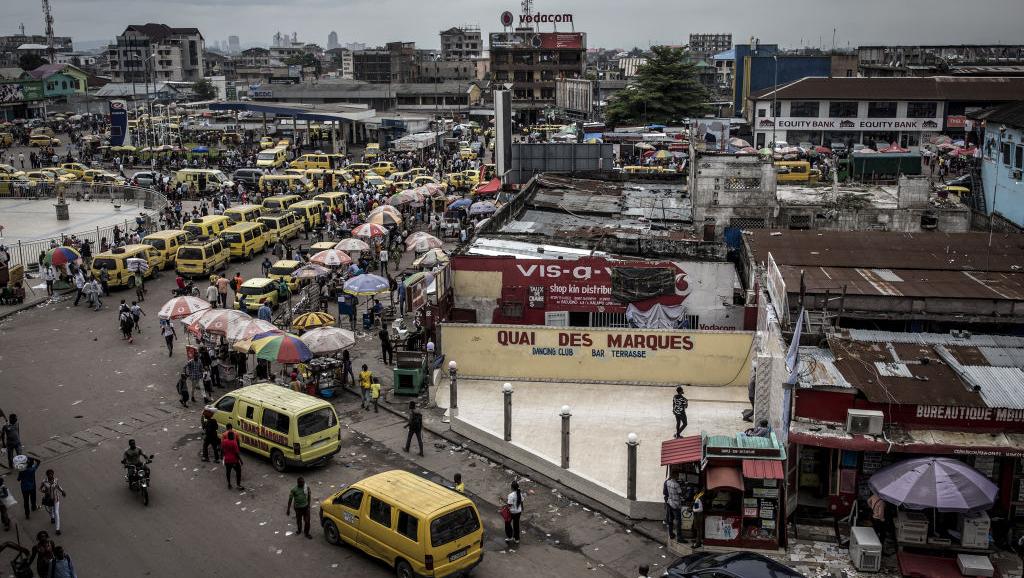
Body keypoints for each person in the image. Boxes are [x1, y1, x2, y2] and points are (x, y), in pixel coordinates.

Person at [40, 469, 66, 535]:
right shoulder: (44, 482)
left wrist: (62, 491)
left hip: (56, 499)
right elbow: (40, 489)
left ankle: (57, 529)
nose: (50, 475)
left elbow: (58, 486)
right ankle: (52, 517)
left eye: (51, 474)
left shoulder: (56, 480)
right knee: (50, 510)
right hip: (48, 499)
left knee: (56, 512)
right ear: (47, 475)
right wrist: (44, 491)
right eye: (49, 474)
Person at [664, 475, 683, 541]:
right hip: (676, 505)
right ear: (676, 476)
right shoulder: (676, 484)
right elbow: (680, 493)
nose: (678, 477)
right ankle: (679, 537)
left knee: (670, 520)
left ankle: (671, 534)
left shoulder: (668, 482)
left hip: (670, 502)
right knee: (678, 521)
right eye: (677, 476)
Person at [505, 481, 524, 545]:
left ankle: (510, 537)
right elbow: (521, 502)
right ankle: (517, 539)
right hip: (518, 512)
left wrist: (505, 507)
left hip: (512, 512)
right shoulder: (519, 493)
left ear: (512, 487)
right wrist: (522, 508)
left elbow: (509, 505)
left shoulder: (511, 495)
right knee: (516, 525)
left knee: (507, 523)